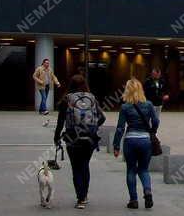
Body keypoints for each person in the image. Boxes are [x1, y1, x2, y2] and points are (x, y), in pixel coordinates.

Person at [53, 73, 105, 210]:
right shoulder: (92, 98)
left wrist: (56, 137)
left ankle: (80, 198)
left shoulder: (67, 99)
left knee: (76, 168)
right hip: (89, 138)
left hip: (72, 137)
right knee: (85, 165)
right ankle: (85, 195)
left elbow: (60, 122)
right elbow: (102, 117)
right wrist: (92, 127)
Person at [113, 78, 159, 210]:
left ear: (128, 90)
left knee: (131, 170)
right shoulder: (149, 105)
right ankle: (148, 191)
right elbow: (156, 121)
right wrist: (152, 131)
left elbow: (120, 128)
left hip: (130, 141)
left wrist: (116, 146)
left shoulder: (125, 106)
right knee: (144, 169)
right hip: (145, 140)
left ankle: (133, 200)